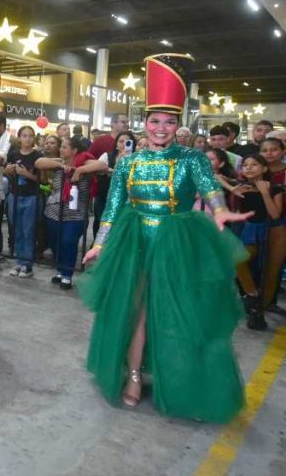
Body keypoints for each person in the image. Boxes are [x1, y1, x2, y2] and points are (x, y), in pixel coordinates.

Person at [80, 54, 251, 422]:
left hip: (177, 244)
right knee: (138, 313)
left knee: (178, 314)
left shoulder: (193, 158)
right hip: (136, 240)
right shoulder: (127, 162)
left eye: (169, 122)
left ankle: (179, 377)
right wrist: (99, 243)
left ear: (178, 124)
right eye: (154, 120)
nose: (161, 128)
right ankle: (136, 375)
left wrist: (220, 209)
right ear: (145, 122)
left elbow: (208, 189)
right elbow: (112, 206)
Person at [231, 154, 284, 330]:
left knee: (268, 274)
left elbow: (275, 214)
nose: (249, 167)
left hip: (272, 233)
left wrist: (264, 192)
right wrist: (231, 188)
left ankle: (257, 312)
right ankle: (251, 295)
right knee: (238, 259)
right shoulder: (241, 188)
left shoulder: (275, 189)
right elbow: (215, 177)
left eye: (254, 164)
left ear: (265, 168)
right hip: (248, 232)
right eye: (245, 164)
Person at [36, 136, 92, 289]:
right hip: (53, 211)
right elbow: (38, 162)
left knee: (69, 241)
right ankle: (60, 270)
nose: (60, 149)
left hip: (75, 214)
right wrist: (61, 165)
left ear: (74, 150)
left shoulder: (85, 162)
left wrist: (79, 169)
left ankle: (67, 274)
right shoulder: (58, 163)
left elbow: (101, 165)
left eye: (64, 147)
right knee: (55, 242)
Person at [5, 126, 42, 278]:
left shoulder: (37, 155)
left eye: (30, 135)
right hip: (15, 195)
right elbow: (6, 172)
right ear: (19, 137)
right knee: (17, 229)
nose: (28, 138)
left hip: (31, 196)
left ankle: (27, 264)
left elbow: (41, 179)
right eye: (25, 135)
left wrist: (26, 173)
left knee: (28, 230)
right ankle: (19, 261)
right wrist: (9, 170)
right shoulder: (13, 154)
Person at [258, 137, 286, 319]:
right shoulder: (254, 170)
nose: (269, 153)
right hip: (257, 222)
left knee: (274, 266)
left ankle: (268, 303)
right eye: (265, 150)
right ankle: (254, 302)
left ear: (283, 151)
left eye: (274, 149)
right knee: (256, 264)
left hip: (280, 223)